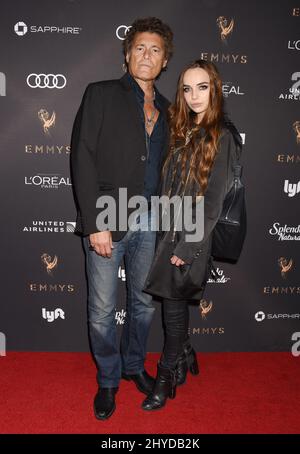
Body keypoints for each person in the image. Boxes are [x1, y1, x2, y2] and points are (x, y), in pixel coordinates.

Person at [70, 17, 173, 420]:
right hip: (108, 216)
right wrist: (96, 222)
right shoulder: (100, 94)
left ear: (165, 61)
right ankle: (109, 379)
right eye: (140, 48)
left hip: (153, 219)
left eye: (156, 50)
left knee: (145, 305)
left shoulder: (168, 109)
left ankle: (134, 366)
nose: (147, 56)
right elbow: (82, 157)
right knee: (101, 307)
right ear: (127, 53)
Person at [142, 59, 242, 411]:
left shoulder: (223, 135)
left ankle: (166, 374)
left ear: (215, 90)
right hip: (168, 230)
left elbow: (213, 202)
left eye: (203, 87)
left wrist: (187, 246)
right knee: (175, 300)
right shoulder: (181, 129)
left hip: (192, 237)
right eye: (187, 88)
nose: (194, 95)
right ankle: (184, 351)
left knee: (172, 306)